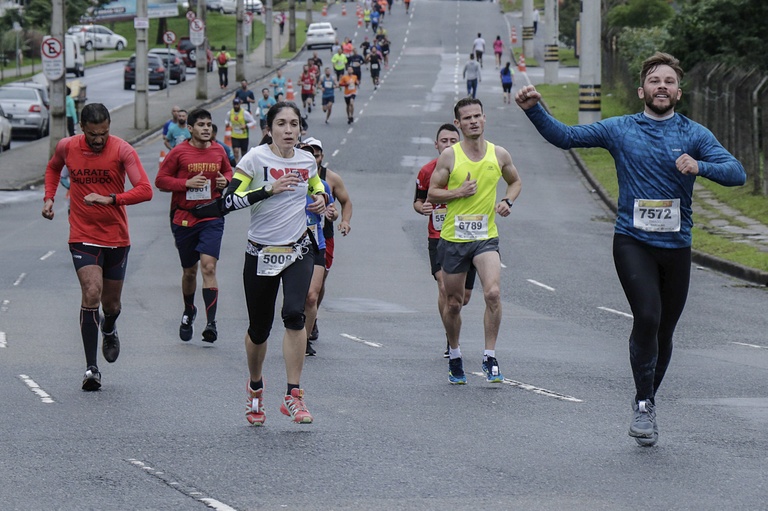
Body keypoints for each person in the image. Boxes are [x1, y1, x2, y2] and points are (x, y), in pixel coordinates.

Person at [514, 52, 746, 446]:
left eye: (669, 82)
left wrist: (700, 167)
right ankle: (642, 404)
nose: (662, 87)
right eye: (655, 81)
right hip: (633, 241)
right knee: (649, 316)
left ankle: (648, 400)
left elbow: (737, 173)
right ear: (642, 90)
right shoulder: (621, 129)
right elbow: (566, 136)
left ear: (678, 92)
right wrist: (536, 110)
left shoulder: (694, 135)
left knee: (666, 331)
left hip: (676, 246)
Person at [221, 102, 328, 426]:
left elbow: (316, 186)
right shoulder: (255, 158)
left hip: (297, 249)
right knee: (259, 328)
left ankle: (293, 395)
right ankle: (255, 387)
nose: (288, 130)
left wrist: (322, 199)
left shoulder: (307, 160)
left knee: (295, 314)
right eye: (281, 124)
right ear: (269, 128)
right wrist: (267, 189)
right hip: (261, 252)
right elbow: (227, 201)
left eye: (294, 124)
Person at [41, 103, 153, 391]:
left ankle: (109, 326)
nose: (99, 139)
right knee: (91, 292)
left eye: (104, 132)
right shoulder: (67, 147)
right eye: (93, 134)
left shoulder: (122, 150)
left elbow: (145, 190)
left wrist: (111, 199)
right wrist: (49, 198)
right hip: (82, 234)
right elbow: (53, 168)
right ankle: (92, 368)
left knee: (111, 304)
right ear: (82, 128)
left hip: (116, 235)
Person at [427, 97, 522, 386]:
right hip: (454, 239)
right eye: (466, 118)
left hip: (485, 238)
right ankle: (455, 354)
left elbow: (515, 181)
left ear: (484, 118)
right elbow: (432, 193)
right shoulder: (450, 157)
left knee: (492, 293)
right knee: (455, 303)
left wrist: (507, 200)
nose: (473, 121)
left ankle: (490, 356)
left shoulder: (499, 154)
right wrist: (458, 192)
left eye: (477, 116)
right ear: (458, 123)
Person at [155, 108, 233, 344]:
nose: (206, 128)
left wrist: (226, 180)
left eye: (209, 124)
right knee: (190, 272)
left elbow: (228, 170)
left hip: (211, 217)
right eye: (201, 125)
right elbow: (160, 181)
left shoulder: (219, 150)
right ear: (190, 129)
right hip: (184, 218)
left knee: (208, 268)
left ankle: (211, 324)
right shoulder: (179, 153)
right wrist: (185, 183)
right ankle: (189, 310)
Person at [414, 123, 477, 357]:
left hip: (466, 236)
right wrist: (424, 208)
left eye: (453, 141)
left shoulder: (470, 167)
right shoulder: (427, 171)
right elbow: (418, 201)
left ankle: (451, 323)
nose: (448, 145)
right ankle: (450, 340)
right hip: (438, 236)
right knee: (444, 288)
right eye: (444, 141)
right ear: (436, 144)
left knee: (463, 298)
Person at [303, 137, 353, 350]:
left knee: (317, 287)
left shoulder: (329, 180)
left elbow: (344, 203)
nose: (313, 158)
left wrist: (343, 220)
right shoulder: (293, 176)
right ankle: (302, 320)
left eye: (316, 154)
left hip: (322, 238)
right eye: (309, 154)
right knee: (301, 290)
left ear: (321, 157)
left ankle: (310, 321)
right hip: (293, 240)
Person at [299, 141, 334, 357]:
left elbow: (331, 208)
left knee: (312, 296)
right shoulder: (285, 182)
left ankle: (303, 340)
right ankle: (295, 331)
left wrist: (331, 213)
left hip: (316, 243)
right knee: (295, 299)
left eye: (312, 157)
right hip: (289, 245)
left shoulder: (322, 184)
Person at [225, 98, 257, 163]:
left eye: (237, 104)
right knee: (236, 152)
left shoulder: (245, 113)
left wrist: (246, 126)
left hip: (244, 136)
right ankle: (237, 166)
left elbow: (253, 122)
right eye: (234, 104)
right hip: (234, 135)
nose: (236, 106)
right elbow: (226, 120)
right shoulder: (230, 113)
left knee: (244, 154)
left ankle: (243, 166)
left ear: (240, 104)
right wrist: (227, 124)